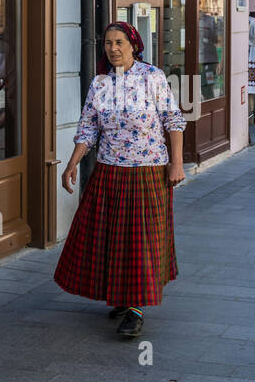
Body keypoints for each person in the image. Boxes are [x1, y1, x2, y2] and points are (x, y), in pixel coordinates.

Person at [56, 22, 185, 339]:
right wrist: (72, 164)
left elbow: (173, 119)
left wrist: (177, 163)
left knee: (141, 237)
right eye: (108, 43)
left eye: (119, 42)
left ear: (133, 45)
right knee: (110, 236)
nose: (113, 48)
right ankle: (122, 295)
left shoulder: (151, 76)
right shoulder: (100, 84)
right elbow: (88, 129)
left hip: (148, 169)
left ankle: (136, 308)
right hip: (110, 169)